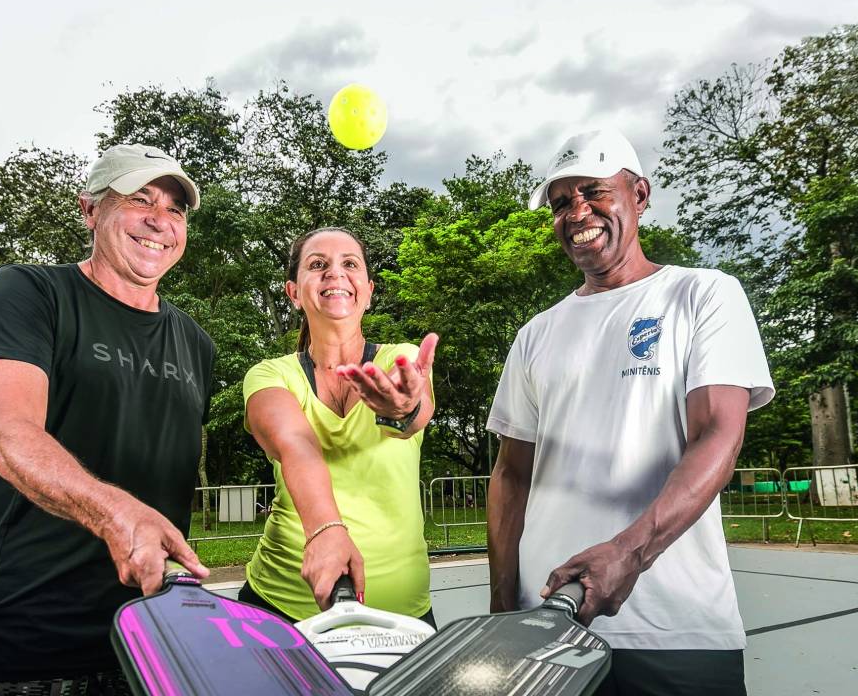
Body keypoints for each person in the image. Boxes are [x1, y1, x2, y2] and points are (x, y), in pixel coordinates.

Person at [486, 128, 774, 696]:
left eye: (594, 191)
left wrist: (629, 552)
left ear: (639, 194)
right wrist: (502, 610)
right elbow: (511, 476)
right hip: (546, 633)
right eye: (561, 202)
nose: (578, 212)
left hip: (676, 630)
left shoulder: (703, 295)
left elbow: (717, 435)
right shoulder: (535, 334)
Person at [0, 144, 214, 695]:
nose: (159, 222)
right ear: (90, 210)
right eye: (139, 199)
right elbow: (9, 435)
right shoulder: (31, 291)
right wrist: (118, 513)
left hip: (153, 642)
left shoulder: (196, 343)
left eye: (175, 209)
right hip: (31, 647)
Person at [241, 227, 438, 625]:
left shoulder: (402, 359)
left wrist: (399, 411)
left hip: (402, 611)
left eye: (350, 264)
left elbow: (414, 416)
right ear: (294, 293)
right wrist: (326, 530)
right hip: (282, 605)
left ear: (367, 291)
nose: (335, 273)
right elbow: (295, 444)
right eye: (318, 265)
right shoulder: (269, 375)